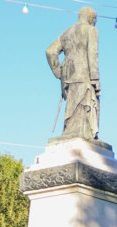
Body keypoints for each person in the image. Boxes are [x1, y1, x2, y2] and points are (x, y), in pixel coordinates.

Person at [45, 7, 100, 141]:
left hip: (68, 77)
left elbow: (50, 51)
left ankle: (70, 134)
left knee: (71, 105)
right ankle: (85, 135)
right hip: (85, 75)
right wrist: (95, 77)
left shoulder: (67, 33)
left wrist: (59, 72)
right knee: (87, 105)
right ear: (90, 17)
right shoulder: (90, 30)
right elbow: (92, 54)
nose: (95, 22)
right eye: (94, 20)